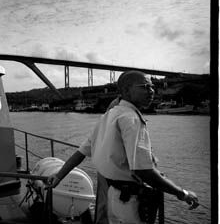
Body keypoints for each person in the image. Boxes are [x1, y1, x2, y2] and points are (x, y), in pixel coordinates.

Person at [48, 70, 199, 224]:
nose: (152, 91)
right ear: (126, 90)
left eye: (152, 87)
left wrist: (59, 177)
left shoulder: (108, 115)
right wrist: (182, 193)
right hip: (132, 202)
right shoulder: (131, 119)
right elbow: (143, 170)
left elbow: (81, 152)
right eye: (145, 87)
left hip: (114, 196)